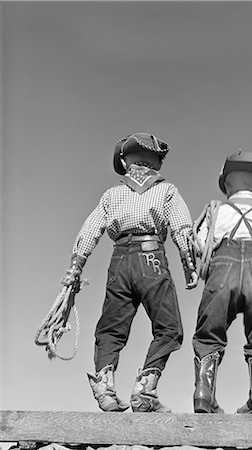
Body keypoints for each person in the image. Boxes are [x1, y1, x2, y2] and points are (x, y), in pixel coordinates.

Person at [62, 132, 198, 413]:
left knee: (111, 328)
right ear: (156, 164)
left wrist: (76, 267)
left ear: (125, 163)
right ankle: (145, 390)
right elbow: (183, 227)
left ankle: (105, 388)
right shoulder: (167, 190)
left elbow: (89, 230)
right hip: (152, 259)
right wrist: (189, 265)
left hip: (119, 260)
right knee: (169, 328)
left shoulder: (112, 194)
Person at [192, 149, 252, 414]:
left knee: (209, 332)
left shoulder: (217, 210)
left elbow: (200, 244)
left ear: (227, 183)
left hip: (222, 269)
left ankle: (204, 395)